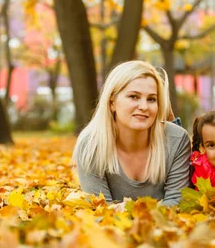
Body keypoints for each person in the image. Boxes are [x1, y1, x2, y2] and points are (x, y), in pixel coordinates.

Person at [73, 61, 191, 206]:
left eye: (151, 99)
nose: (144, 107)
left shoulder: (177, 140)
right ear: (112, 103)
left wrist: (130, 210)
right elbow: (100, 211)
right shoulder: (91, 145)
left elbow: (177, 203)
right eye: (134, 96)